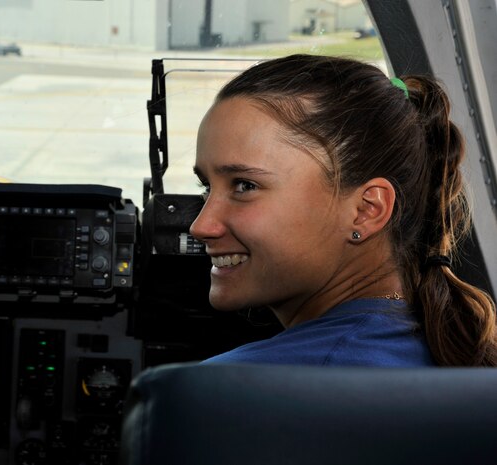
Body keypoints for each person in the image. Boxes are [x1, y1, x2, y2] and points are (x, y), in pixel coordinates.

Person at [189, 54, 497, 367]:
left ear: (366, 210)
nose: (201, 226)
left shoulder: (218, 391)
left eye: (244, 186)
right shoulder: (458, 351)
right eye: (206, 188)